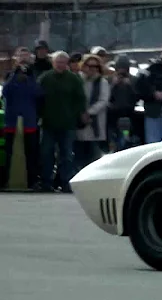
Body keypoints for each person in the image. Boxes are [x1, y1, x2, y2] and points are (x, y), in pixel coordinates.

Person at [37, 51, 86, 193]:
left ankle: (65, 182)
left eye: (63, 62)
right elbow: (37, 97)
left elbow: (80, 99)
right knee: (46, 153)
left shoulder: (74, 79)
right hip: (48, 123)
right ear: (53, 63)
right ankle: (46, 182)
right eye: (58, 62)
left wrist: (77, 114)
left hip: (68, 124)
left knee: (66, 155)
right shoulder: (45, 78)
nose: (60, 65)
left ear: (67, 64)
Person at [1, 47, 44, 189]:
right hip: (11, 120)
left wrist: (29, 78)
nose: (23, 60)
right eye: (21, 57)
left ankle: (32, 181)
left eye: (26, 57)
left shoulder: (34, 74)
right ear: (16, 58)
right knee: (8, 152)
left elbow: (38, 93)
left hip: (29, 120)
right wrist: (15, 75)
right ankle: (4, 180)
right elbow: (5, 92)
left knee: (31, 152)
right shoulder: (10, 75)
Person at [74, 54, 110, 172]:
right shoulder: (77, 80)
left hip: (95, 122)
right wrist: (80, 113)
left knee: (94, 156)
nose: (92, 69)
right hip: (78, 121)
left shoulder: (102, 82)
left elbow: (103, 100)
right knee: (79, 153)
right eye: (89, 66)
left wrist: (89, 113)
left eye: (95, 66)